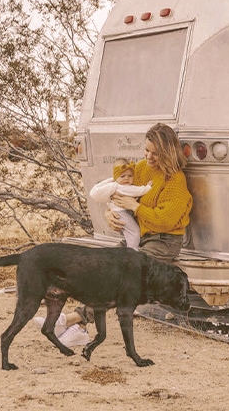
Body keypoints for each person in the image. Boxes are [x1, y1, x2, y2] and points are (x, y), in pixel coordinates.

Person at [34, 123, 193, 346]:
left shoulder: (175, 180)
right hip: (137, 236)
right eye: (146, 150)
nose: (148, 156)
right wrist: (110, 213)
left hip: (164, 241)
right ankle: (78, 326)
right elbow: (117, 191)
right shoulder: (140, 169)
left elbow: (165, 219)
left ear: (167, 153)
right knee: (102, 269)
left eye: (155, 153)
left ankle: (73, 320)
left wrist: (135, 207)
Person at [88, 158, 152, 251]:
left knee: (129, 231)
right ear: (116, 177)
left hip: (121, 212)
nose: (127, 178)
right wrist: (148, 187)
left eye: (130, 175)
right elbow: (137, 191)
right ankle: (133, 250)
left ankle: (131, 246)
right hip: (121, 213)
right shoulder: (121, 187)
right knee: (134, 231)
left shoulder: (118, 186)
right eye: (122, 176)